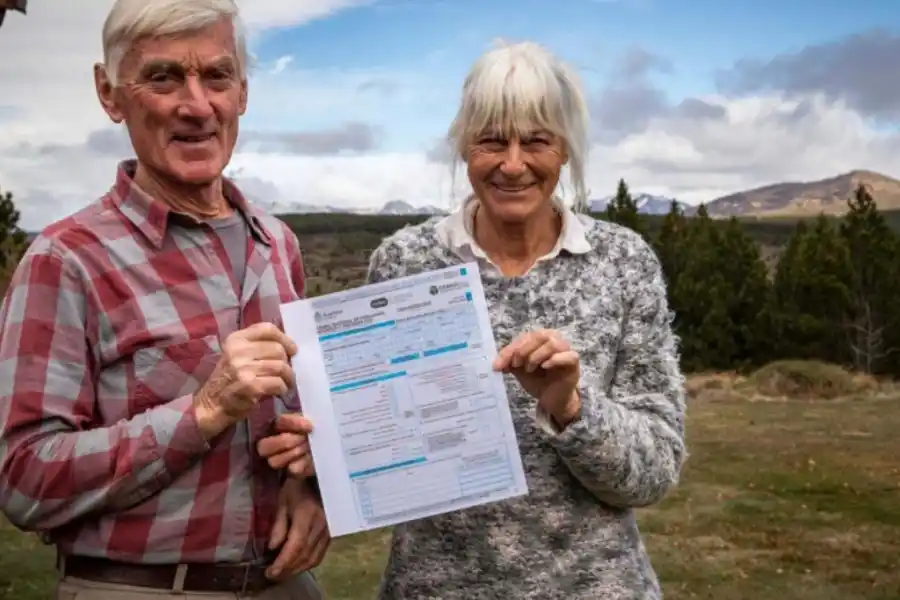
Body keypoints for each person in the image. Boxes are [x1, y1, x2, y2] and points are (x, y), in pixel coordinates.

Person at [0, 1, 328, 598]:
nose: (197, 105)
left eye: (217, 76)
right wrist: (204, 409)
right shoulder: (66, 260)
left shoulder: (278, 243)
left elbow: (304, 421)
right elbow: (25, 479)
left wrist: (315, 484)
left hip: (286, 584)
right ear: (109, 93)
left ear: (243, 92)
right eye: (163, 77)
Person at [365, 41, 687, 598]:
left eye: (535, 140)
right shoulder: (404, 261)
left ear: (564, 150)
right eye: (492, 140)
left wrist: (570, 407)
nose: (512, 165)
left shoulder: (623, 263)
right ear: (465, 146)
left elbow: (653, 472)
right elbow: (372, 433)